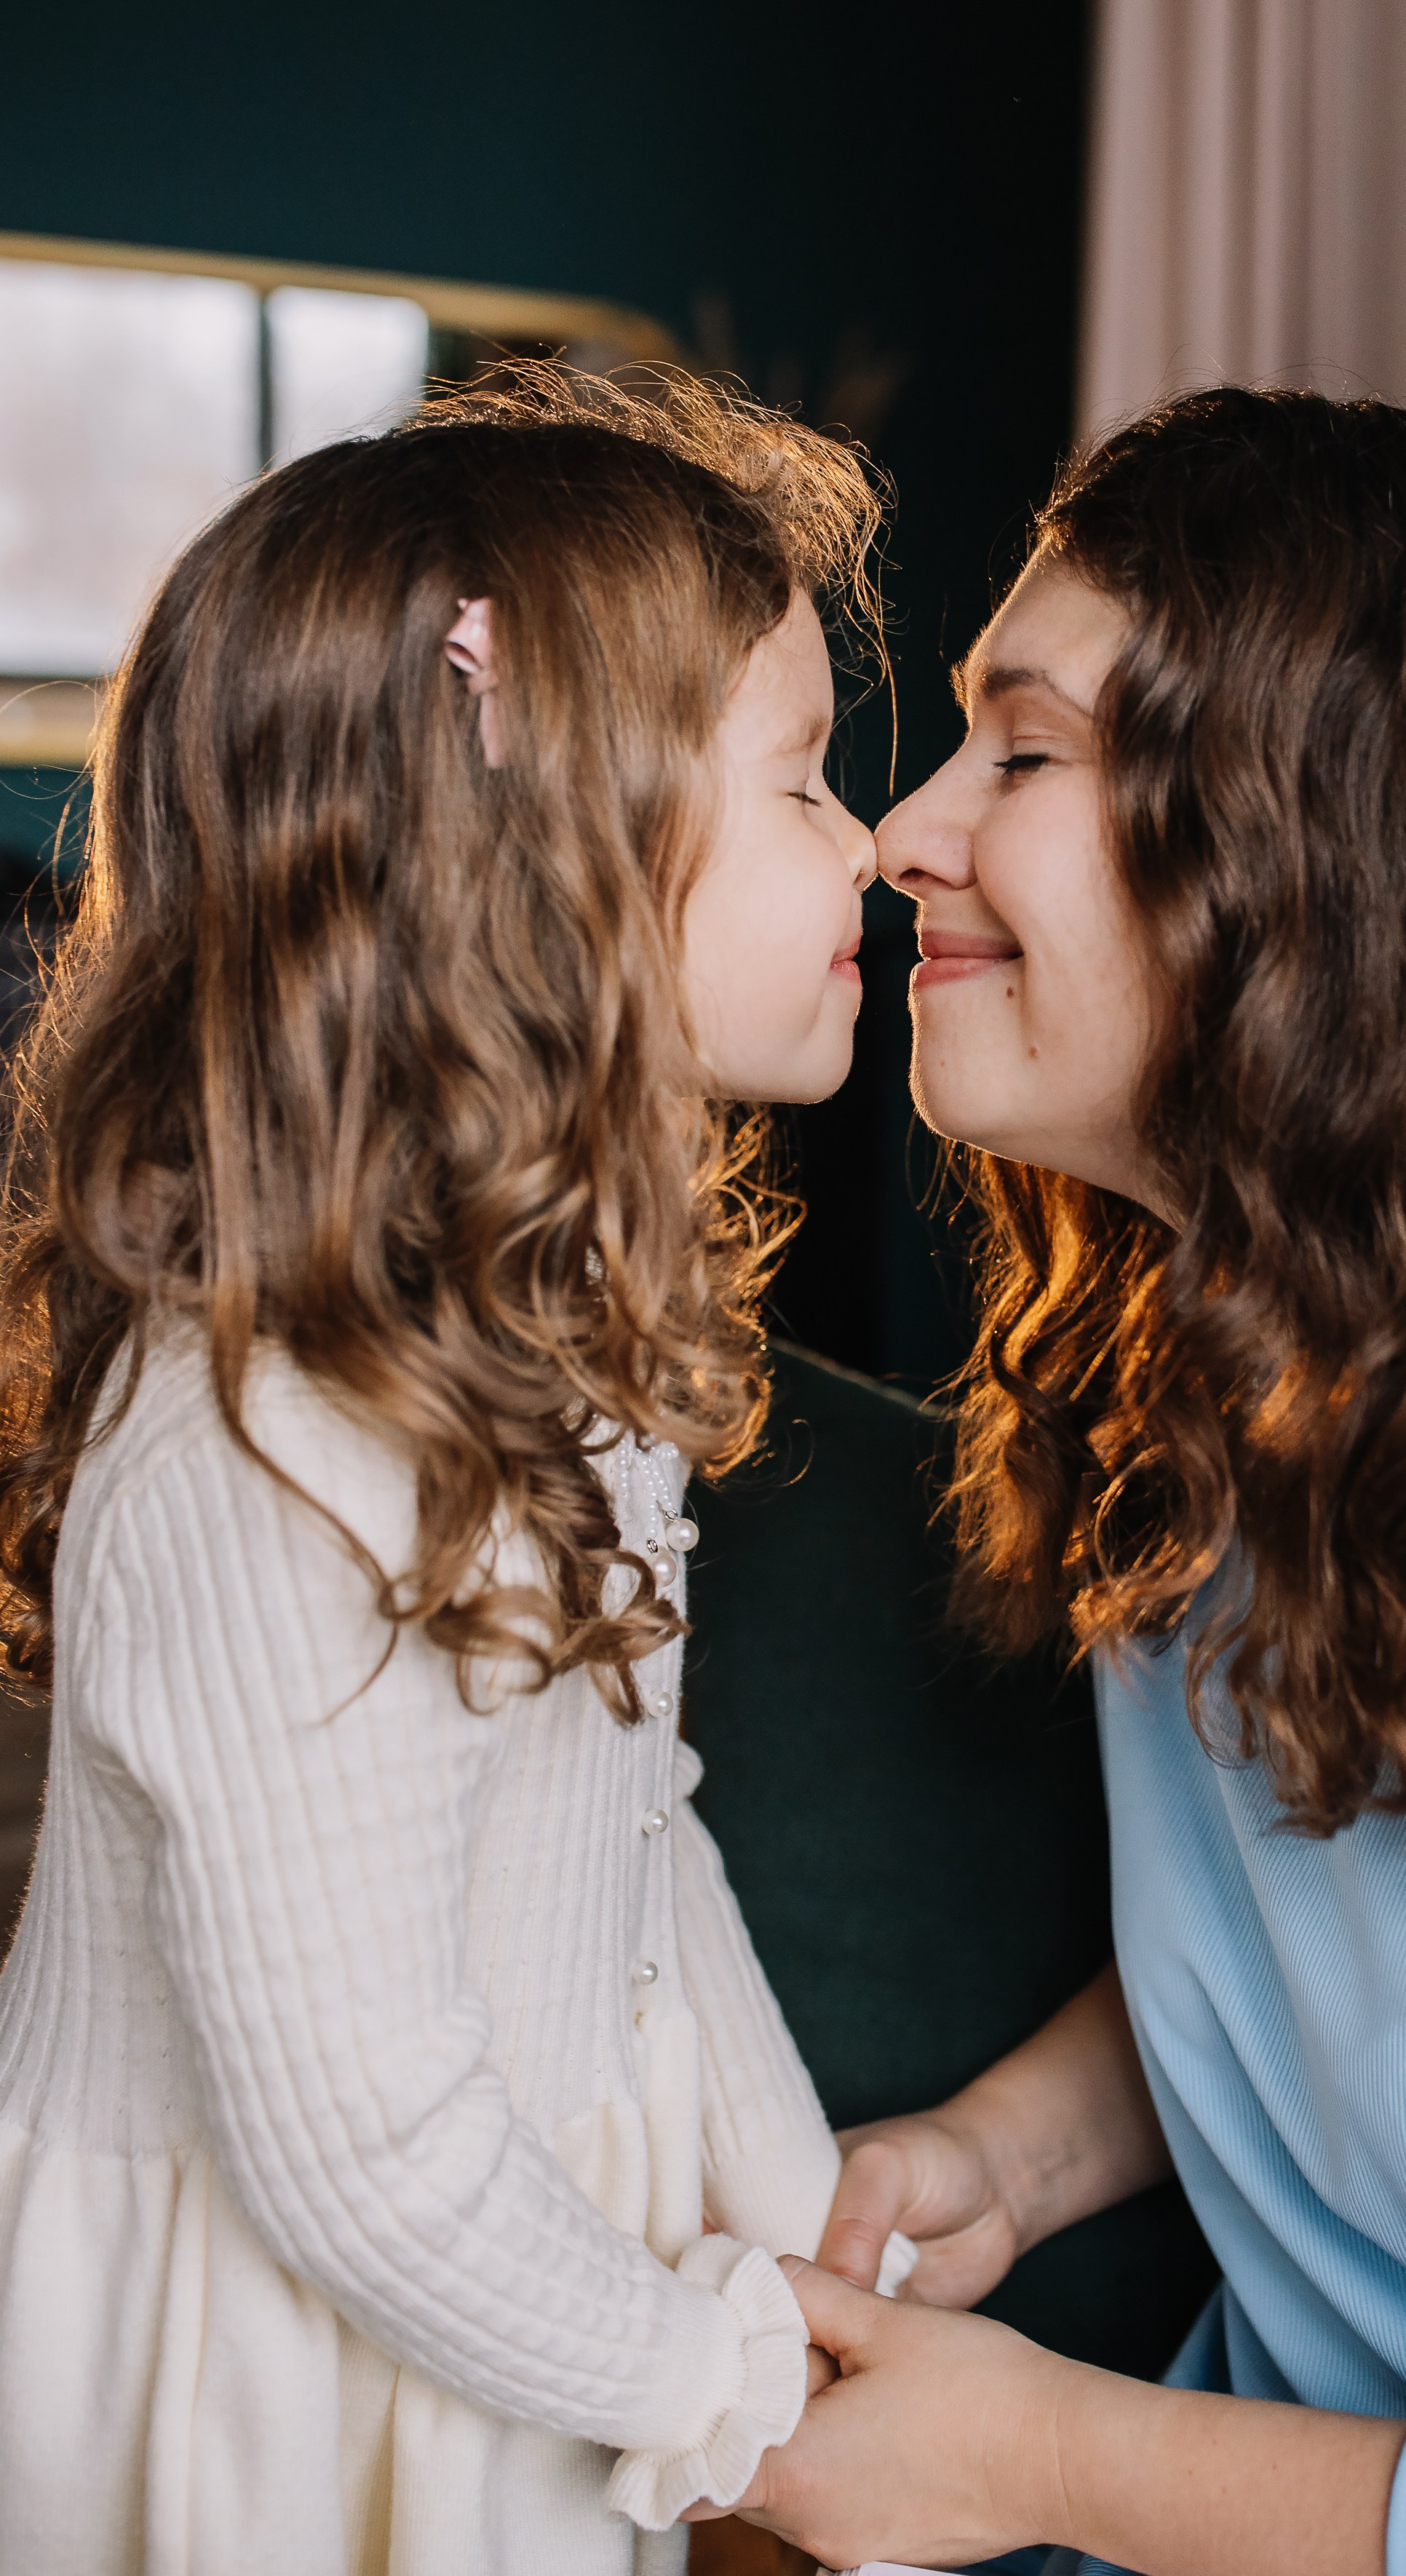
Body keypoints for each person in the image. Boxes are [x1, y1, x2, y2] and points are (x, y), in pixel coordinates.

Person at [713, 390, 1406, 2576]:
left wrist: (1028, 2459)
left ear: (1333, 854)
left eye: (1022, 750)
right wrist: (1011, 2157)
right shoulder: (1233, 1350)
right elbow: (1390, 1941)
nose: (899, 835)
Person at [0, 367, 908, 2576]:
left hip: (502, 2330)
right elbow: (361, 2156)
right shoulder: (272, 1431)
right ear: (549, 857)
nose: (871, 843)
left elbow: (627, 1839)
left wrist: (811, 2255)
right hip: (277, 2405)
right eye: (799, 783)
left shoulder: (548, 1348)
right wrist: (733, 2388)